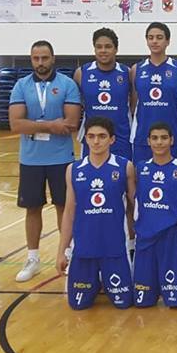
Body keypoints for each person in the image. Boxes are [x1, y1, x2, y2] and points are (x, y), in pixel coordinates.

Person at [8, 40, 81, 282]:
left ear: (53, 58)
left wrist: (33, 125)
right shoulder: (21, 85)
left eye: (44, 58)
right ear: (31, 60)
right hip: (31, 159)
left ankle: (67, 256)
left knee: (64, 207)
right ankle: (33, 259)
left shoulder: (67, 84)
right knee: (32, 208)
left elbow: (71, 123)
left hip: (61, 158)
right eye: (36, 58)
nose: (40, 63)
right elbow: (15, 124)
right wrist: (51, 125)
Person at [55, 116, 135, 310]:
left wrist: (135, 244)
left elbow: (135, 208)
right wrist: (61, 252)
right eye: (91, 136)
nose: (96, 141)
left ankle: (105, 280)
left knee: (124, 304)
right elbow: (69, 212)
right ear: (85, 139)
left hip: (115, 248)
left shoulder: (125, 167)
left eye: (102, 136)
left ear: (112, 139)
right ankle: (95, 280)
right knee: (78, 305)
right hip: (84, 248)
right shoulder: (73, 170)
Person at [133, 122, 177, 308]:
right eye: (155, 138)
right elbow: (132, 200)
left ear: (171, 140)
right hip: (145, 234)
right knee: (142, 301)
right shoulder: (139, 168)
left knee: (176, 301)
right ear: (148, 141)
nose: (159, 142)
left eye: (164, 138)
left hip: (172, 235)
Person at [131, 22, 177, 165]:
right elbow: (134, 106)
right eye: (151, 37)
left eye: (159, 37)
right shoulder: (136, 69)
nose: (154, 41)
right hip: (142, 137)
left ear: (168, 41)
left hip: (173, 137)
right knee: (141, 177)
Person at [75, 28, 132, 160]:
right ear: (94, 49)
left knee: (122, 172)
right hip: (92, 139)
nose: (103, 50)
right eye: (99, 47)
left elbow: (134, 105)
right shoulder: (81, 73)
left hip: (121, 138)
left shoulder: (127, 73)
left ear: (116, 49)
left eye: (108, 46)